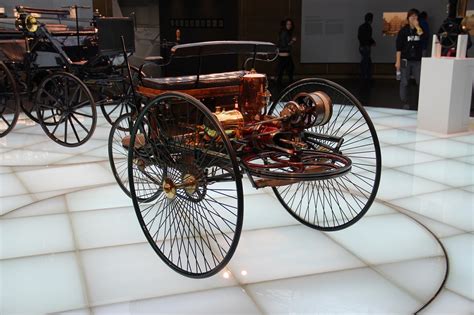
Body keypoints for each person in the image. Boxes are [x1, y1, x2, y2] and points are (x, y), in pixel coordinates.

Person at [395, 9, 427, 109]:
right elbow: (398, 48)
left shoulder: (420, 30)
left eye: (416, 17)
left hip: (417, 60)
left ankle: (422, 101)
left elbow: (424, 39)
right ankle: (405, 102)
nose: (414, 18)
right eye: (412, 17)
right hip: (405, 60)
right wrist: (397, 62)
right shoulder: (403, 31)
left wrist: (417, 27)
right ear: (408, 18)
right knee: (404, 81)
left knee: (420, 81)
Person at [277, 18, 296, 87]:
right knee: (289, 69)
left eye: (290, 24)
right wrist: (292, 41)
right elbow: (284, 44)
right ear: (285, 25)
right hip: (284, 55)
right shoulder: (284, 33)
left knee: (282, 71)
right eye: (288, 24)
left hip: (285, 55)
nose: (289, 26)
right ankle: (290, 86)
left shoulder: (285, 32)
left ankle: (282, 86)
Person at [358, 13, 376, 81]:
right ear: (371, 19)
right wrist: (372, 42)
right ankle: (366, 77)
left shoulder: (361, 26)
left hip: (361, 47)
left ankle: (364, 76)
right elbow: (368, 37)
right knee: (366, 62)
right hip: (366, 47)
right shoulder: (368, 27)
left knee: (365, 61)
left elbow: (359, 37)